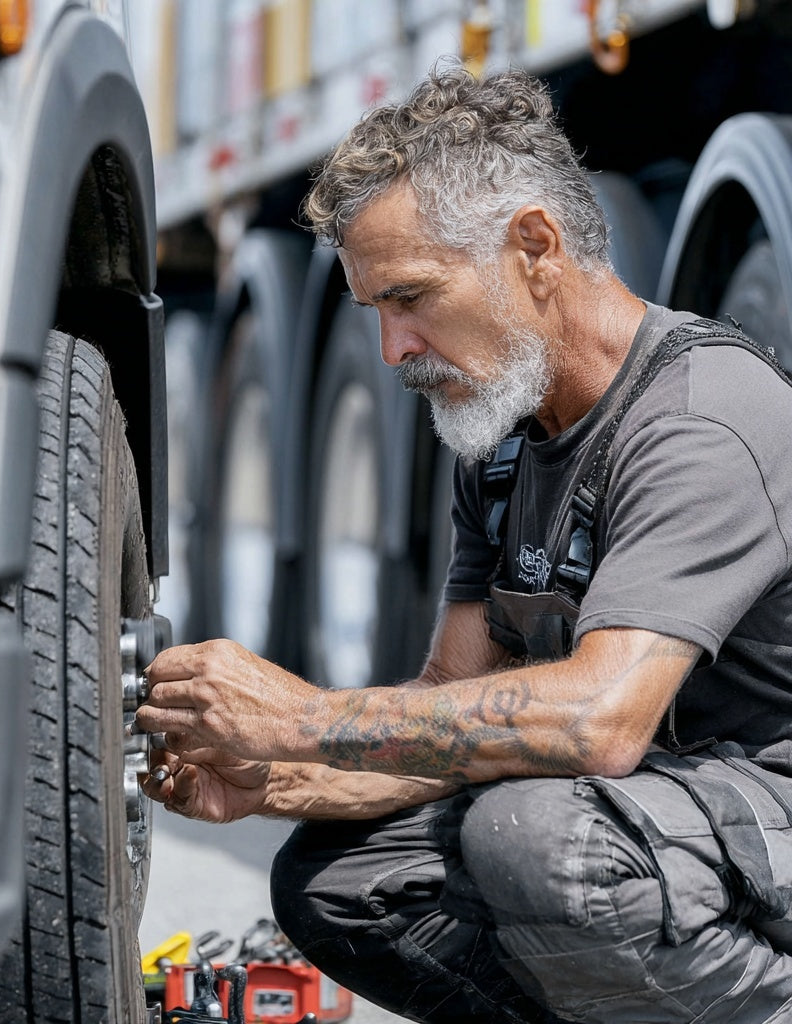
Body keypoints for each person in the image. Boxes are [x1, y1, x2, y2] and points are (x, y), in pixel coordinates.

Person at [135, 60, 792, 1024]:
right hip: (676, 816)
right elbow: (447, 710)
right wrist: (273, 776)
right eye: (378, 314)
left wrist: (299, 717)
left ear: (534, 246)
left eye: (412, 297)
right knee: (339, 877)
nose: (394, 349)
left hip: (767, 809)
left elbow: (602, 720)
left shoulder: (701, 419)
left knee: (537, 841)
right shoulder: (499, 444)